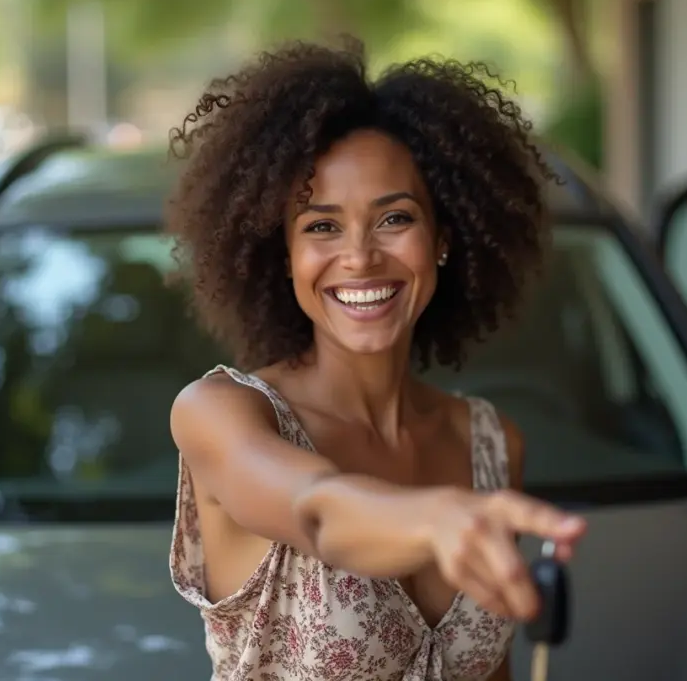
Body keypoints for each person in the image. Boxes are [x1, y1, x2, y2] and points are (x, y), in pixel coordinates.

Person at [165, 37, 588, 681]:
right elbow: (317, 509)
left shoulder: (491, 445)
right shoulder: (221, 416)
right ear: (282, 255)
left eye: (394, 218)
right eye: (321, 226)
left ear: (443, 239)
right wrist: (432, 517)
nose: (360, 257)